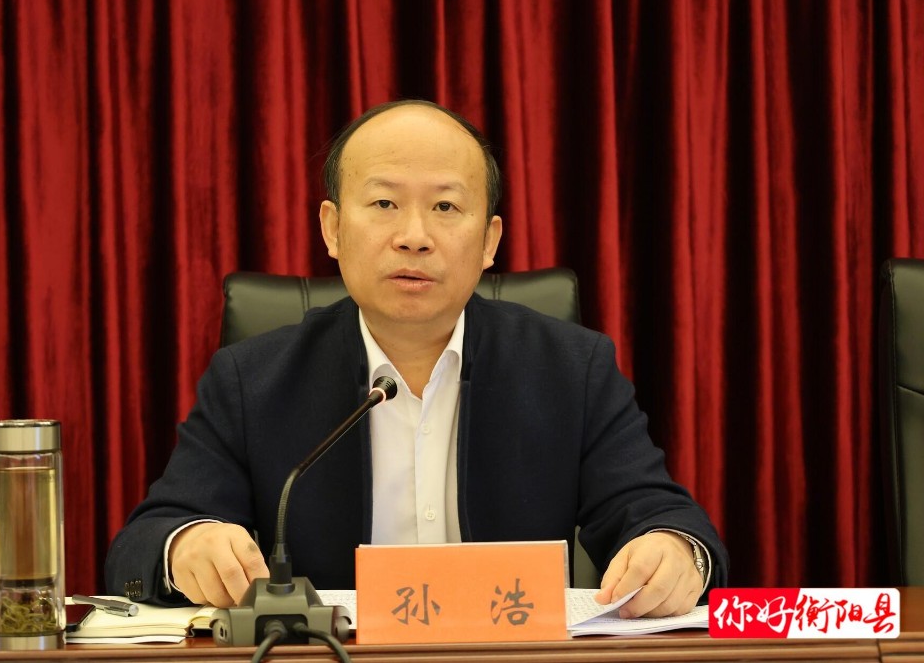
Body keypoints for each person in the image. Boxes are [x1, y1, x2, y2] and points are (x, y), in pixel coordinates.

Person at [106, 100, 728, 619]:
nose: (414, 236)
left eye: (446, 207)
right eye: (383, 204)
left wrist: (674, 552)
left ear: (489, 241)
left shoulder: (573, 369)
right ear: (332, 229)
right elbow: (142, 545)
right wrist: (187, 545)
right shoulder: (252, 380)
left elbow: (664, 517)